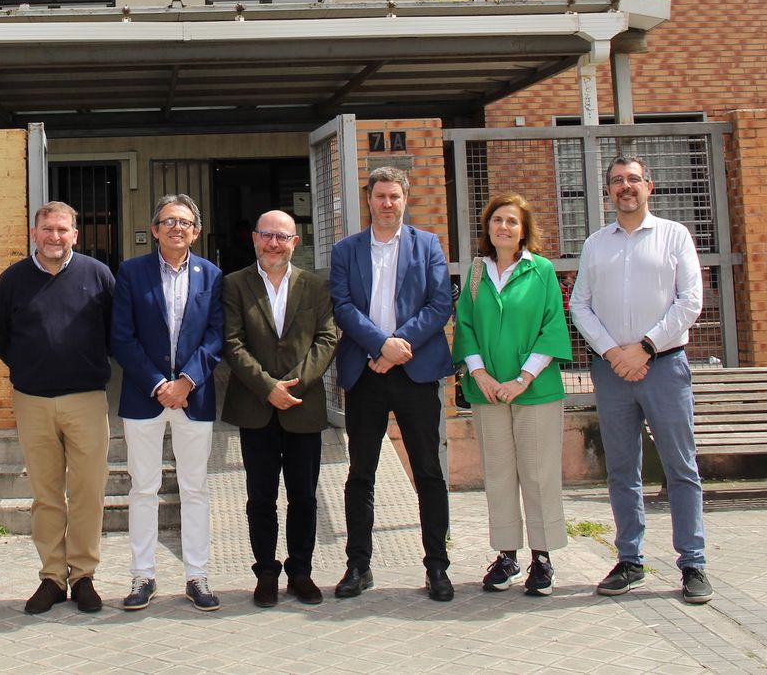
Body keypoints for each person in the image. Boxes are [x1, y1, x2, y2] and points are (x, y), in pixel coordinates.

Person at [569, 155, 712, 605]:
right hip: (612, 371)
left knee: (680, 467)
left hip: (664, 366)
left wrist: (646, 347)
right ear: (608, 190)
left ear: (649, 186)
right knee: (621, 470)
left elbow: (690, 300)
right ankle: (629, 560)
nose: (625, 186)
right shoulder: (595, 244)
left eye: (633, 179)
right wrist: (614, 353)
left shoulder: (674, 235)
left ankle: (693, 563)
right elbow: (579, 305)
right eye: (617, 181)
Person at [329, 166, 456, 603]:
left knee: (428, 470)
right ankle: (358, 566)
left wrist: (399, 345)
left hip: (415, 370)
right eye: (380, 196)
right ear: (369, 199)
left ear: (405, 199)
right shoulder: (346, 249)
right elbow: (342, 306)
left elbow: (440, 303)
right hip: (365, 372)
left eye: (394, 196)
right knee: (361, 473)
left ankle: (437, 566)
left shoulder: (428, 245)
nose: (387, 203)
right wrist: (379, 345)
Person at [0, 201, 116, 615]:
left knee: (88, 492)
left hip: (86, 399)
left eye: (63, 229)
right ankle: (52, 577)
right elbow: (1, 337)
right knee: (46, 495)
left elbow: (113, 331)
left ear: (75, 235)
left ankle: (83, 576)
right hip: (33, 401)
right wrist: (31, 367)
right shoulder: (13, 280)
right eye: (47, 229)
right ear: (34, 233)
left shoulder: (97, 275)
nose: (55, 237)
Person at [452, 193, 573, 597]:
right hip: (487, 392)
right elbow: (465, 325)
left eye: (512, 222)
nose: (503, 227)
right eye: (497, 220)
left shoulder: (541, 271)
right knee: (499, 474)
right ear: (487, 226)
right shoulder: (476, 272)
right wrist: (480, 374)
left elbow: (552, 326)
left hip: (535, 391)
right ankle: (506, 556)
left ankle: (542, 558)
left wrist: (522, 379)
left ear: (524, 231)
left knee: (538, 475)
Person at [112, 194, 225, 613]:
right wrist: (160, 384)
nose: (177, 228)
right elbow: (121, 336)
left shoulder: (211, 275)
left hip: (193, 397)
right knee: (143, 488)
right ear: (155, 229)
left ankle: (197, 575)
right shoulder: (131, 272)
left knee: (195, 488)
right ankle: (142, 575)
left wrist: (187, 381)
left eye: (185, 222)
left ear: (196, 232)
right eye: (169, 221)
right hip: (145, 395)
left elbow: (217, 335)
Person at [221, 209, 339, 608]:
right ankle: (266, 573)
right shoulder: (234, 284)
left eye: (282, 236)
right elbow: (232, 342)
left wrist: (293, 384)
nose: (274, 243)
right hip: (255, 407)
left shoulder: (315, 286)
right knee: (261, 497)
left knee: (304, 496)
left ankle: (301, 571)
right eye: (267, 235)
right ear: (255, 238)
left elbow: (327, 338)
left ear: (295, 242)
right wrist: (267, 387)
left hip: (302, 405)